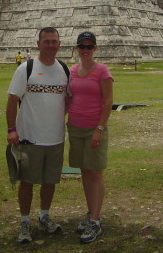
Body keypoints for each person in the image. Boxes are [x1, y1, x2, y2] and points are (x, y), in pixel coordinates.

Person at [6, 27, 69, 243]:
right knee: (27, 181)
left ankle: (44, 217)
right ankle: (25, 221)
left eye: (54, 41)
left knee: (50, 181)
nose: (50, 45)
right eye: (46, 41)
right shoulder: (26, 68)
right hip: (30, 136)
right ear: (38, 43)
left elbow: (67, 99)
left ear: (59, 44)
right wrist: (11, 129)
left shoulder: (64, 69)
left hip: (56, 137)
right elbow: (12, 100)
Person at [67, 31, 114, 243]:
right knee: (85, 171)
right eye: (82, 46)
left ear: (95, 49)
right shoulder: (72, 71)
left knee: (95, 172)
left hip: (94, 129)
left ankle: (95, 220)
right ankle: (90, 212)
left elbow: (108, 102)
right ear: (77, 48)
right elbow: (68, 99)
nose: (85, 50)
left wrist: (100, 129)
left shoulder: (102, 71)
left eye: (89, 47)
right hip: (75, 128)